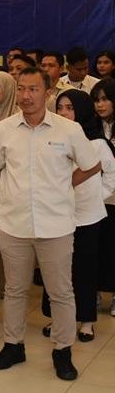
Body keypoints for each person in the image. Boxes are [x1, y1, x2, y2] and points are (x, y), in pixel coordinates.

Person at [0, 67, 101, 381]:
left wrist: (63, 185)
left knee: (61, 292)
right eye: (21, 88)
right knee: (14, 290)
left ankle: (62, 350)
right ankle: (13, 345)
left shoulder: (68, 130)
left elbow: (92, 165)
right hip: (13, 225)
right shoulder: (3, 130)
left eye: (34, 89)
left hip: (56, 226)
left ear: (48, 92)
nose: (26, 95)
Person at [40, 89, 114, 343]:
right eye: (60, 108)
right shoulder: (51, 138)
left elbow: (111, 177)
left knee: (84, 270)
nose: (63, 113)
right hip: (57, 215)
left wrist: (94, 196)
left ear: (82, 110)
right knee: (59, 270)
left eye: (69, 108)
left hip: (87, 217)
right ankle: (59, 319)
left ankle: (87, 322)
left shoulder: (97, 143)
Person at [91, 79, 115, 315]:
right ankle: (95, 293)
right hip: (96, 200)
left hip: (113, 197)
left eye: (105, 99)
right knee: (98, 249)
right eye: (96, 100)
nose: (100, 105)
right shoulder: (91, 128)